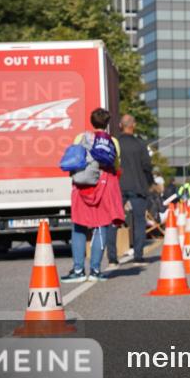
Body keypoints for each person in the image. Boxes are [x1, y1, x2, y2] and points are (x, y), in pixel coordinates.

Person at [62, 108, 125, 283]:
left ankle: (78, 270)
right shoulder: (112, 142)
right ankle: (95, 270)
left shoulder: (80, 138)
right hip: (103, 186)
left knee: (79, 226)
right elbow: (116, 164)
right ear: (107, 123)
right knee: (100, 226)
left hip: (82, 187)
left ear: (92, 122)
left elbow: (73, 159)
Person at [115, 114, 154, 262]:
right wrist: (149, 184)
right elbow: (147, 167)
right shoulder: (140, 144)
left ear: (120, 125)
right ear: (134, 125)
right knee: (139, 221)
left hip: (119, 186)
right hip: (138, 187)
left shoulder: (116, 143)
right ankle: (138, 255)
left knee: (114, 220)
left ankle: (112, 256)